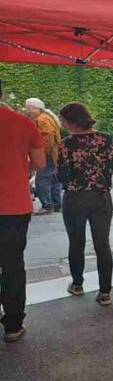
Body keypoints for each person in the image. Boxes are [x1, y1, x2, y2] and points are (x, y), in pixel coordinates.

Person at [57, 102, 113, 306]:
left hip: (75, 199)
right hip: (101, 197)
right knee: (102, 244)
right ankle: (105, 293)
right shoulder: (107, 139)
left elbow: (62, 176)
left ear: (70, 122)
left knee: (76, 242)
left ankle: (77, 284)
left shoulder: (66, 144)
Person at [0, 102, 45, 342]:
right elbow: (40, 162)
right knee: (12, 265)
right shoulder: (24, 123)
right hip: (14, 206)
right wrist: (21, 168)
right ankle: (13, 325)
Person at [25, 98, 63, 215]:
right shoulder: (47, 116)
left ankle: (47, 205)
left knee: (42, 180)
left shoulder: (41, 119)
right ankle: (57, 204)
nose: (27, 110)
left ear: (35, 108)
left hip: (48, 152)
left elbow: (48, 135)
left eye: (28, 108)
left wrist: (43, 151)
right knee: (54, 179)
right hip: (54, 152)